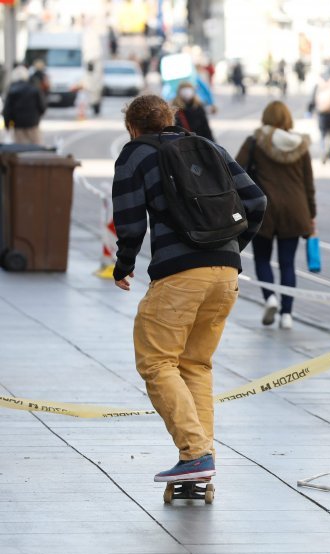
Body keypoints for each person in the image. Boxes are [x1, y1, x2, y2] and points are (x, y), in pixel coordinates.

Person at [112, 94, 266, 483]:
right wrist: (230, 249)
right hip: (226, 274)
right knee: (196, 364)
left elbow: (130, 220)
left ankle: (195, 453)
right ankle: (204, 455)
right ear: (171, 118)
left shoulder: (134, 154)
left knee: (157, 361)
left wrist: (124, 265)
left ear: (132, 126)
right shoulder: (210, 147)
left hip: (179, 273)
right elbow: (256, 200)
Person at [235, 100, 316, 330]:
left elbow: (236, 170)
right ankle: (287, 314)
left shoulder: (255, 142)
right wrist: (312, 215)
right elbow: (308, 184)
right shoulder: (300, 145)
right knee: (287, 263)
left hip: (264, 210)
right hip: (295, 209)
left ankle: (270, 297)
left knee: (262, 259)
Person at [308, 65, 330, 164]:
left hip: (322, 114)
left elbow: (312, 99)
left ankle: (323, 152)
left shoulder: (320, 83)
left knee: (323, 135)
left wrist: (310, 110)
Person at [2, 66, 46, 145]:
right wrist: (37, 118)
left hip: (18, 125)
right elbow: (42, 106)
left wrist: (7, 125)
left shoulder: (12, 90)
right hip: (33, 124)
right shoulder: (34, 89)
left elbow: (7, 110)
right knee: (37, 148)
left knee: (20, 149)